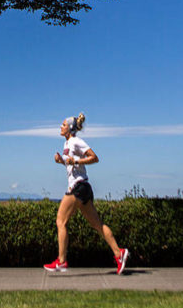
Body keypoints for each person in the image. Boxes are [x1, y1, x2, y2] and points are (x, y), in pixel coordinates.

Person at [43, 112, 129, 274]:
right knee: (97, 225)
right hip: (83, 187)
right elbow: (72, 166)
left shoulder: (76, 141)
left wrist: (75, 160)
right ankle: (119, 253)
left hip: (79, 187)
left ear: (69, 128)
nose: (60, 127)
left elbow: (94, 158)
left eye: (62, 125)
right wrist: (62, 161)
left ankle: (61, 261)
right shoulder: (67, 144)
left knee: (61, 221)